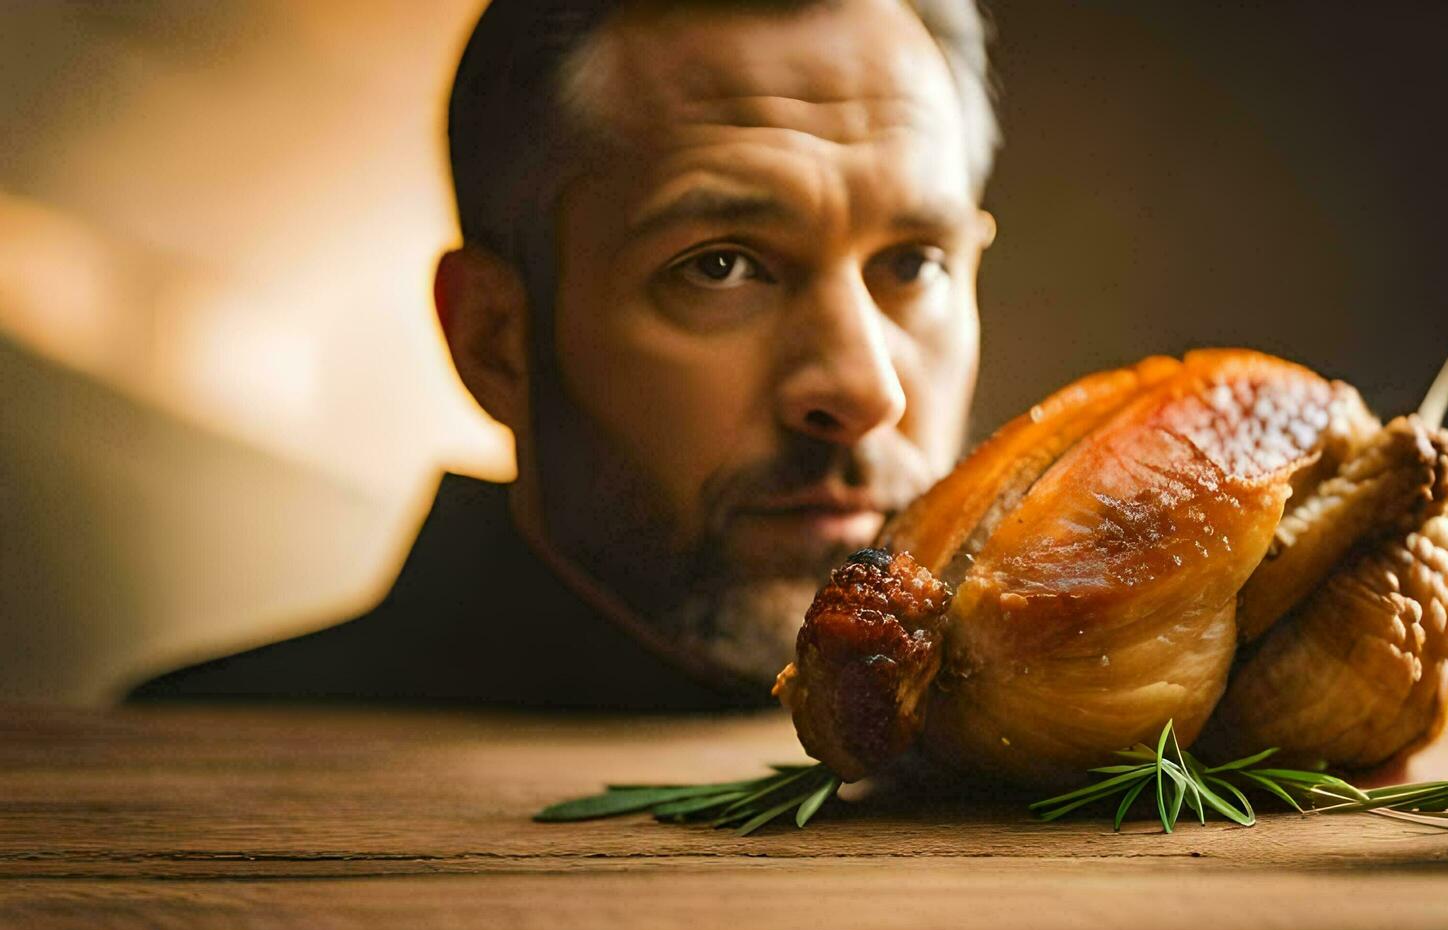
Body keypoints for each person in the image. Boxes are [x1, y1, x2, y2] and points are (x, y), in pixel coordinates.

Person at [129, 0, 999, 710]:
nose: (863, 390)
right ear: (494, 341)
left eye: (915, 263)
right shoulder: (184, 765)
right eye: (720, 266)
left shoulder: (1093, 766)